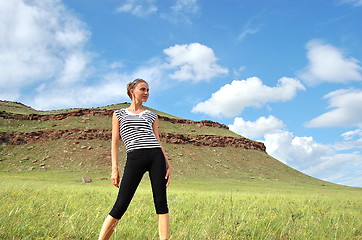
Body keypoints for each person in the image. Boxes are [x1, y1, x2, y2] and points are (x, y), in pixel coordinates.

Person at [98, 78, 172, 240]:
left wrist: (167, 163)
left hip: (155, 157)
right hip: (134, 157)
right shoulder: (118, 114)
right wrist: (114, 168)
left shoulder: (152, 116)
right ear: (132, 91)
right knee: (121, 204)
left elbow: (157, 140)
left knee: (161, 202)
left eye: (148, 90)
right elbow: (115, 141)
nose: (146, 93)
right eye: (143, 89)